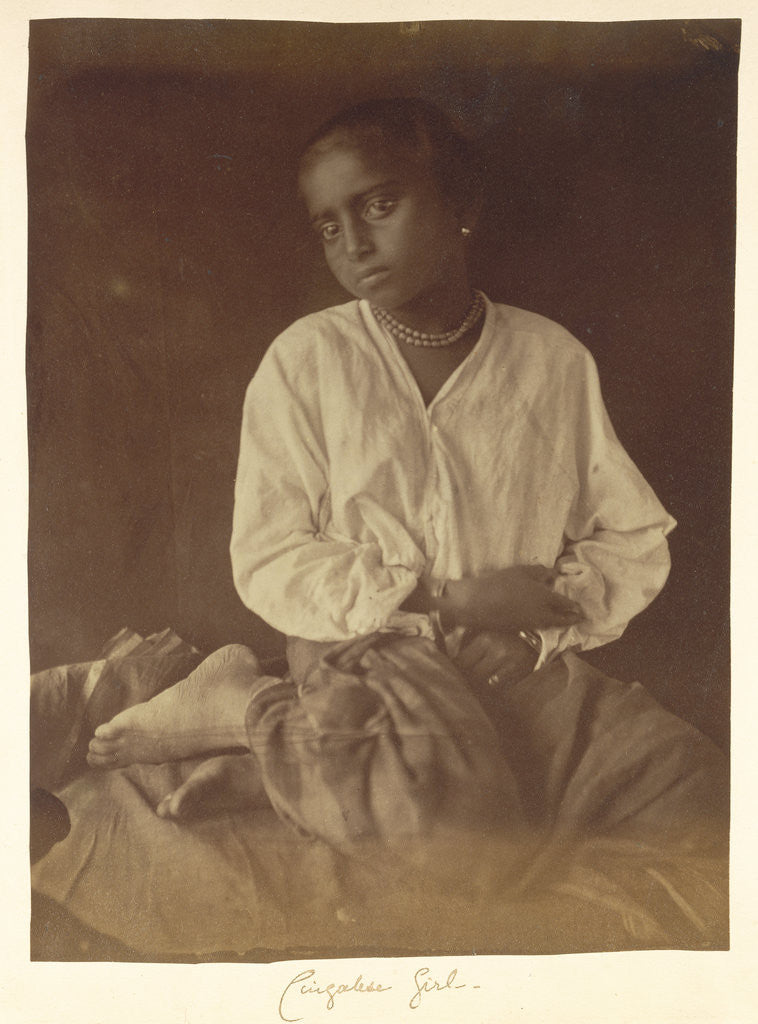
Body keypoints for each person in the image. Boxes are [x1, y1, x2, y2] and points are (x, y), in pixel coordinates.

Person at [85, 100, 726, 935]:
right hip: (366, 667)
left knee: (695, 792)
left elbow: (633, 537)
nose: (352, 241)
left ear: (463, 207)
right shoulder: (307, 362)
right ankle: (248, 708)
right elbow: (270, 555)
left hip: (515, 670)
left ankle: (291, 776)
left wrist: (535, 632)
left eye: (379, 205)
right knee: (465, 843)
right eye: (327, 224)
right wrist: (450, 603)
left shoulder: (550, 359)